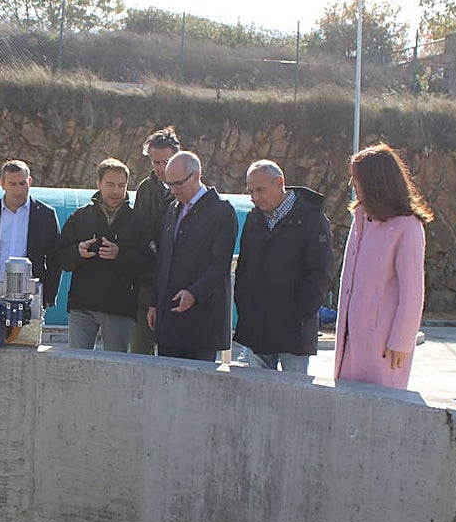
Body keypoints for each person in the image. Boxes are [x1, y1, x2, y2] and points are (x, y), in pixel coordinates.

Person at [334, 143, 433, 389]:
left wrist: (401, 340)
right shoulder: (360, 220)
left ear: (375, 181)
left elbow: (413, 292)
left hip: (383, 344)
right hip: (351, 337)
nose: (352, 185)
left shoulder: (407, 226)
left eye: (356, 179)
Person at [233, 159, 335, 373]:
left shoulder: (312, 219)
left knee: (293, 396)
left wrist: (301, 313)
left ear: (279, 183)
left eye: (260, 190)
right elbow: (244, 268)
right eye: (251, 191)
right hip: (256, 326)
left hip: (294, 330)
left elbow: (321, 271)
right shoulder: (254, 218)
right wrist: (245, 307)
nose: (255, 198)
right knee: (257, 393)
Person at [55, 158, 153, 352]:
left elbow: (149, 266)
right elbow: (60, 257)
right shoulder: (80, 217)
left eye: (121, 185)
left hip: (119, 309)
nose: (116, 191)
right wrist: (78, 252)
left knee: (116, 369)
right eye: (110, 185)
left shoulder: (139, 222)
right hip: (82, 306)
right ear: (98, 184)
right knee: (78, 365)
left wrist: (120, 254)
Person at [147, 150, 238, 360]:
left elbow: (219, 265)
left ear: (196, 176)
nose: (173, 190)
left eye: (178, 184)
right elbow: (163, 261)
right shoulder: (172, 209)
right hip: (169, 321)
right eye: (170, 185)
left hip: (202, 325)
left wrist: (194, 294)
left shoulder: (221, 212)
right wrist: (155, 303)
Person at [0, 159, 61, 307]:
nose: (18, 190)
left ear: (29, 182)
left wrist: (47, 296)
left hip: (30, 297)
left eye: (22, 183)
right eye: (12, 184)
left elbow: (55, 259)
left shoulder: (45, 215)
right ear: (2, 184)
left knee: (26, 331)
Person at [129, 126, 180, 355]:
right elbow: (138, 230)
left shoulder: (189, 190)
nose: (160, 168)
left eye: (165, 162)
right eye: (155, 162)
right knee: (141, 350)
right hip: (148, 279)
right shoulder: (145, 189)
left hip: (178, 280)